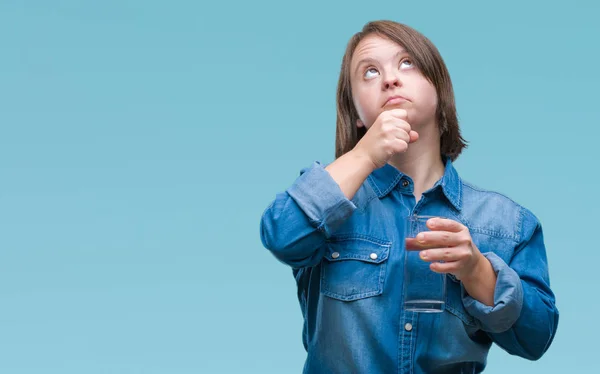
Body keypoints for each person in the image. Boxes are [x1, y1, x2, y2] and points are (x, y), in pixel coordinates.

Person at [259, 20, 559, 374]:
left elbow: (537, 337)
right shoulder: (329, 199)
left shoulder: (506, 224)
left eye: (406, 63)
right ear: (356, 113)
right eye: (369, 72)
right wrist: (363, 155)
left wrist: (477, 271)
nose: (389, 79)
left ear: (438, 89)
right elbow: (281, 235)